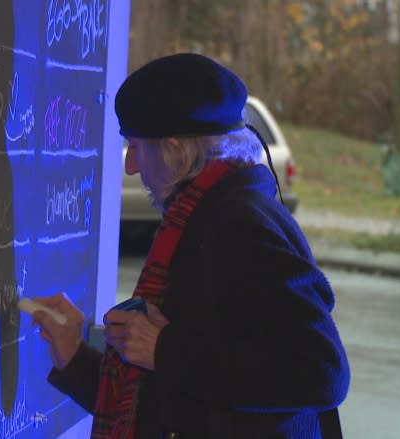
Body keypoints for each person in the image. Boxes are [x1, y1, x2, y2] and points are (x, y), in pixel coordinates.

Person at [31, 53, 350, 438]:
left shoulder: (240, 225)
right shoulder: (200, 217)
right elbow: (174, 399)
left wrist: (164, 348)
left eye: (136, 145)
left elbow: (322, 372)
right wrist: (74, 358)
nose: (130, 165)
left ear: (175, 150)